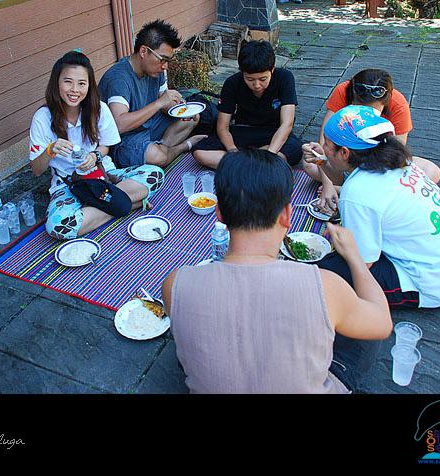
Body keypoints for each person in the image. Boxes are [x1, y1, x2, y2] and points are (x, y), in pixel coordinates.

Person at [162, 148, 392, 394]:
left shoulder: (175, 283)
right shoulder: (326, 286)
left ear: (219, 214)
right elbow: (382, 324)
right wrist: (355, 257)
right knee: (360, 332)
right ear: (286, 215)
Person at [304, 105, 440, 309]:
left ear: (345, 152)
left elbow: (362, 263)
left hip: (430, 284)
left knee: (323, 275)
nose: (323, 148)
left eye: (327, 144)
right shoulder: (397, 162)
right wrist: (323, 160)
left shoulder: (358, 190)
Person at [29, 51, 165, 240]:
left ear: (89, 85)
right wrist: (50, 150)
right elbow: (36, 169)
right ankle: (125, 204)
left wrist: (95, 156)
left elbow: (106, 146)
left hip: (103, 176)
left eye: (81, 83)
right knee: (58, 227)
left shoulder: (98, 109)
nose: (74, 90)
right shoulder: (43, 117)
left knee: (155, 174)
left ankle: (99, 208)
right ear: (56, 83)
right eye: (68, 82)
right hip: (67, 184)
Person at [303, 68, 440, 213]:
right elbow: (325, 145)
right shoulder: (343, 91)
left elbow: (394, 157)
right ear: (352, 98)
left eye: (370, 114)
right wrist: (327, 183)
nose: (364, 116)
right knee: (311, 162)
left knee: (432, 171)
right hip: (345, 161)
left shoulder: (399, 105)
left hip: (375, 165)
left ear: (386, 102)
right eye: (359, 111)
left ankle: (349, 188)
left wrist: (349, 190)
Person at [98, 19, 207, 169]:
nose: (165, 66)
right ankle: (181, 147)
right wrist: (159, 103)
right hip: (123, 140)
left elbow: (164, 102)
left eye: (168, 60)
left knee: (193, 118)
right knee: (157, 156)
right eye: (162, 59)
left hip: (149, 126)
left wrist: (180, 109)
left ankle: (161, 149)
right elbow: (119, 125)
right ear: (143, 51)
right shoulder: (119, 78)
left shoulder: (155, 71)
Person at [192, 40, 303, 170]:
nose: (257, 85)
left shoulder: (284, 78)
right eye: (250, 79)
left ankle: (244, 164)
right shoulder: (232, 83)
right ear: (242, 72)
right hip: (243, 131)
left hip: (273, 132)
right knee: (200, 152)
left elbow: (287, 123)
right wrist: (232, 151)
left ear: (272, 70)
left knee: (294, 149)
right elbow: (222, 127)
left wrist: (270, 154)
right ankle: (259, 166)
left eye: (263, 79)